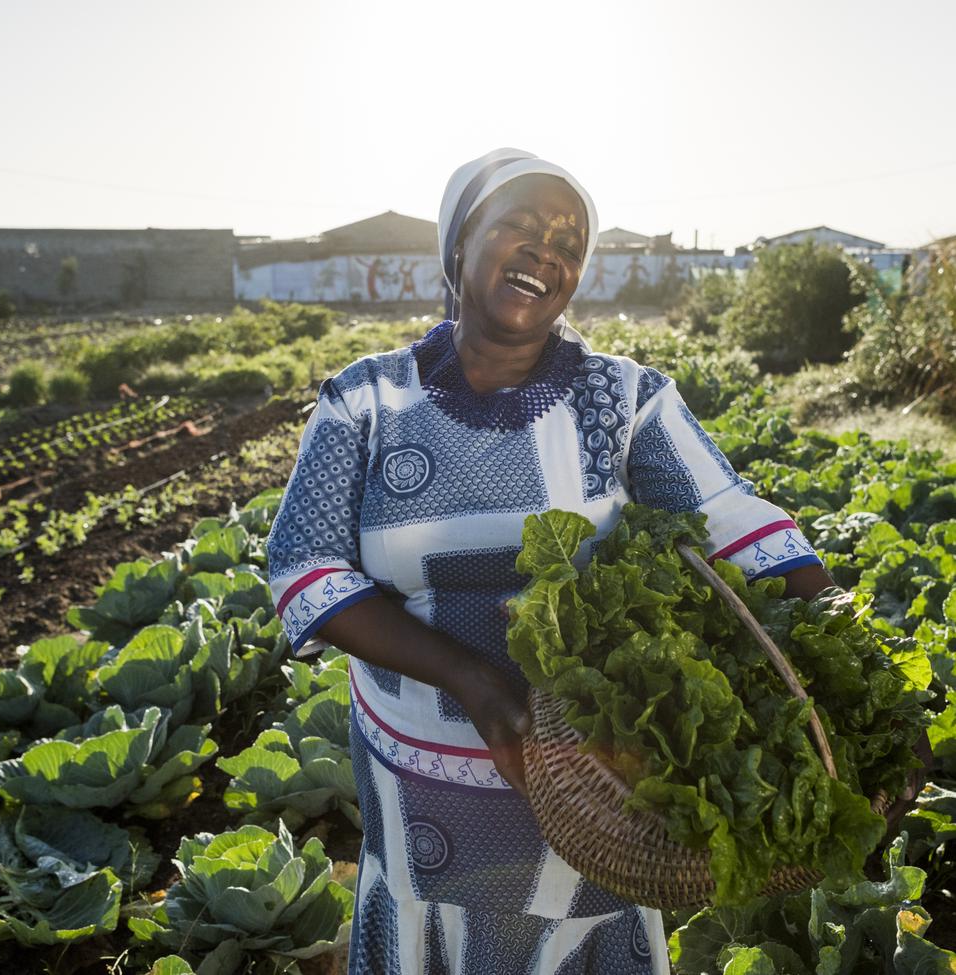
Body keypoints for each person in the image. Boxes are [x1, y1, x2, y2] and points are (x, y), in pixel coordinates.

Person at [266, 148, 834, 974]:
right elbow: (305, 569)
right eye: (520, 227)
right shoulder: (368, 399)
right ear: (460, 245)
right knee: (431, 939)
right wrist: (470, 675)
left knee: (584, 938)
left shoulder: (624, 397)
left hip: (593, 785)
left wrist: (842, 646)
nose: (547, 252)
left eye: (569, 242)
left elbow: (732, 520)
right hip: (420, 780)